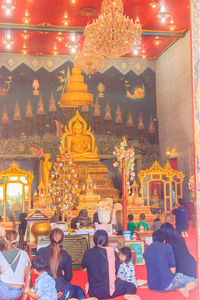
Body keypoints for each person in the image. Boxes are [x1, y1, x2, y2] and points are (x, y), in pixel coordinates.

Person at [82, 230, 140, 300]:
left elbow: (83, 268)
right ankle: (127, 295)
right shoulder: (112, 252)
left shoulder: (88, 252)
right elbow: (117, 270)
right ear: (106, 240)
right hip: (108, 290)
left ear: (94, 239)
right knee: (132, 286)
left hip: (93, 292)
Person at [36, 228, 87, 300]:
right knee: (78, 290)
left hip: (45, 291)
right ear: (62, 240)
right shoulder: (66, 255)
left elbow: (37, 269)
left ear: (50, 238)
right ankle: (81, 298)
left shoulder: (41, 251)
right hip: (62, 291)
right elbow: (68, 277)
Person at [144, 229, 196, 297]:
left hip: (151, 285)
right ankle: (185, 289)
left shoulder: (147, 249)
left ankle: (179, 287)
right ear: (164, 240)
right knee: (193, 280)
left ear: (153, 238)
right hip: (166, 285)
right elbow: (173, 270)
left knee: (177, 279)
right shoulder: (167, 247)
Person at [0, 230, 30, 300]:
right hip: (17, 292)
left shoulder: (1, 254)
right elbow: (26, 274)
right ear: (17, 242)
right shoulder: (24, 254)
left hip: (2, 290)